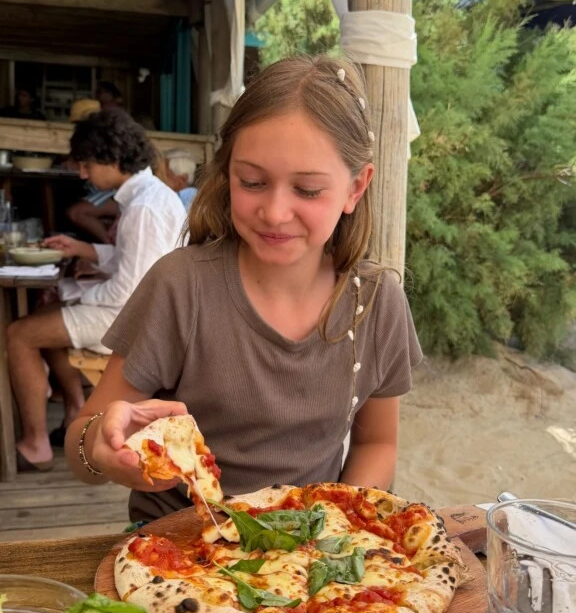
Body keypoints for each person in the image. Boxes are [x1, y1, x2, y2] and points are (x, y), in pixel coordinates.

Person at [64, 56, 422, 522]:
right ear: (227, 173)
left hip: (308, 553)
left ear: (356, 187)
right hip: (174, 548)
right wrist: (102, 449)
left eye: (308, 190)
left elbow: (378, 442)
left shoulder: (375, 302)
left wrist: (335, 523)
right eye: (252, 182)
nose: (274, 212)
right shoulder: (182, 286)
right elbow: (80, 446)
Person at [7, 108, 187, 472]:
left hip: (133, 323)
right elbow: (131, 259)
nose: (82, 173)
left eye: (88, 164)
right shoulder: (146, 197)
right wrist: (81, 250)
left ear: (115, 157)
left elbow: (129, 292)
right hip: (133, 310)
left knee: (20, 334)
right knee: (48, 318)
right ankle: (76, 409)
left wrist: (75, 292)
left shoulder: (145, 208)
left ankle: (35, 444)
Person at [66, 99, 119, 243]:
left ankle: (109, 245)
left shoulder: (102, 138)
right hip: (99, 192)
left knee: (76, 212)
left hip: (111, 195)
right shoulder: (84, 140)